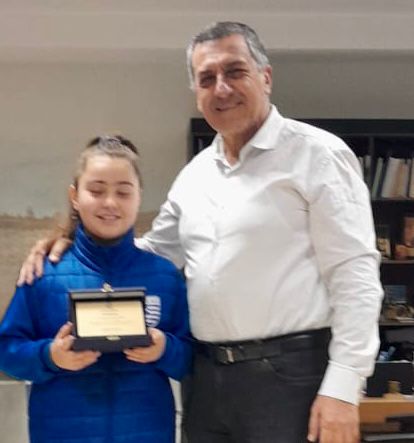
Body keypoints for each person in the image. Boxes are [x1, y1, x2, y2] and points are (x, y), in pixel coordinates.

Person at [18, 22, 383, 443]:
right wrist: (70, 243)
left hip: (289, 377)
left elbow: (355, 273)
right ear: (197, 92)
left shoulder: (318, 155)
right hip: (205, 379)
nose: (221, 88)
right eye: (207, 78)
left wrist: (344, 385)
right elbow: (150, 254)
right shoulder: (195, 176)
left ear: (266, 77)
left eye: (235, 71)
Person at [1, 135, 192, 443]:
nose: (110, 203)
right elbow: (7, 350)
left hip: (146, 431)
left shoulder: (164, 276)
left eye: (123, 192)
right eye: (96, 190)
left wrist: (165, 349)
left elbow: (192, 358)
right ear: (75, 196)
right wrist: (50, 356)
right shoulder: (44, 274)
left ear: (139, 197)